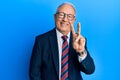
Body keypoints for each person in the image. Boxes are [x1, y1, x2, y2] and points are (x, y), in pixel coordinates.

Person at [29, 2, 95, 80]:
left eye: (69, 16)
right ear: (55, 17)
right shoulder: (41, 41)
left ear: (74, 20)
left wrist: (81, 51)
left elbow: (90, 70)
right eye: (61, 14)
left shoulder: (79, 40)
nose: (64, 19)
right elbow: (34, 73)